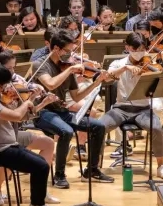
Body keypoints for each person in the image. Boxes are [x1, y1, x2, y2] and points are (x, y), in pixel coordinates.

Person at [0, 63, 58, 206]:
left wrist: (32, 99)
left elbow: (19, 116)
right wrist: (27, 102)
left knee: (41, 163)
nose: (10, 87)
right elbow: (15, 116)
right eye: (6, 84)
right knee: (41, 166)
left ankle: (38, 205)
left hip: (9, 145)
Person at [34, 30, 112, 187]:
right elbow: (50, 84)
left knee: (99, 126)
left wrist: (97, 83)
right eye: (67, 51)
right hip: (43, 112)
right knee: (66, 132)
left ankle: (92, 170)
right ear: (56, 48)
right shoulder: (40, 64)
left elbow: (76, 96)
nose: (70, 54)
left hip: (62, 112)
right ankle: (59, 175)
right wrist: (70, 70)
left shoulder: (67, 66)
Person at [103, 33, 163, 179]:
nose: (139, 52)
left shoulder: (150, 64)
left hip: (143, 109)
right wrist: (125, 68)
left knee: (156, 128)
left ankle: (161, 166)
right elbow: (107, 77)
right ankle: (94, 166)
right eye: (136, 49)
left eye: (142, 49)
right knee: (100, 126)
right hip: (121, 108)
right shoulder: (118, 63)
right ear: (127, 47)